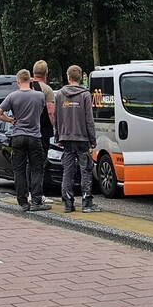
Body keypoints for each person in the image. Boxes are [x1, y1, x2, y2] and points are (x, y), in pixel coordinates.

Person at [0, 70, 50, 211]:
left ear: (18, 81)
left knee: (19, 170)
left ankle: (23, 203)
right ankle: (37, 201)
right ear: (30, 80)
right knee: (37, 169)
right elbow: (43, 113)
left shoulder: (12, 96)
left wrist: (11, 120)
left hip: (18, 136)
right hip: (35, 137)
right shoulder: (40, 96)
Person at [54, 65, 99, 213]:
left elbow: (57, 117)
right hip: (82, 138)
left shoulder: (60, 94)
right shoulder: (85, 95)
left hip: (66, 137)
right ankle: (86, 202)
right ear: (80, 78)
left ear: (68, 77)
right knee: (85, 169)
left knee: (68, 170)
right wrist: (93, 139)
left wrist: (58, 136)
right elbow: (89, 119)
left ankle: (68, 203)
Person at [29, 60, 55, 194]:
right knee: (39, 164)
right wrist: (56, 128)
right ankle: (37, 194)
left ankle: (28, 193)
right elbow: (51, 112)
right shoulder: (47, 90)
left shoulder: (25, 86)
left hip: (25, 131)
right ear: (46, 73)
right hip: (42, 132)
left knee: (29, 164)